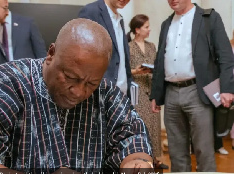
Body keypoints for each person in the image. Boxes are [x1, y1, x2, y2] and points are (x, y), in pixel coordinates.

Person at [0, 18, 153, 174]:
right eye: (70, 77)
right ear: (51, 53)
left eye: (91, 83)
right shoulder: (2, 86)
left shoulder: (105, 93)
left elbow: (131, 134)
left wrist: (137, 161)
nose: (79, 91)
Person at [150, 0, 234, 172]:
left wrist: (227, 89)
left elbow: (225, 56)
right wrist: (156, 95)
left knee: (203, 150)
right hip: (171, 93)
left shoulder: (208, 18)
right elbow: (160, 60)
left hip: (198, 92)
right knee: (176, 152)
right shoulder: (167, 23)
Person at [128, 14, 168, 169]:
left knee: (155, 126)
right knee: (142, 126)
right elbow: (125, 70)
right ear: (137, 30)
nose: (149, 29)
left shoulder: (151, 46)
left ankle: (156, 159)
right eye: (146, 27)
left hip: (152, 90)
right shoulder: (129, 47)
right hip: (137, 92)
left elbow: (158, 65)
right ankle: (143, 159)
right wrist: (136, 71)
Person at [78, 0, 133, 98]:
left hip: (122, 92)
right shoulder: (91, 12)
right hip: (100, 93)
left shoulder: (119, 19)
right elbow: (82, 53)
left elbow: (122, 58)